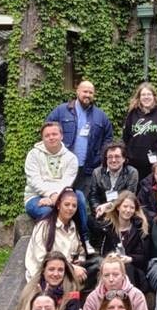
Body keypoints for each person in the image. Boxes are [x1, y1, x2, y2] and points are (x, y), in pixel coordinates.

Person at [47, 80, 114, 241]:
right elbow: (48, 130)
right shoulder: (61, 111)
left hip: (88, 170)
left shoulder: (100, 116)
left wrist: (100, 157)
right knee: (62, 202)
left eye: (91, 92)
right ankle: (58, 237)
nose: (88, 95)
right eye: (85, 91)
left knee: (83, 205)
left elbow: (108, 138)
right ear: (77, 91)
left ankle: (83, 240)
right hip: (63, 168)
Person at [23, 120, 84, 226]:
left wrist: (54, 199)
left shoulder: (71, 158)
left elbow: (66, 182)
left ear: (61, 136)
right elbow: (35, 181)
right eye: (47, 135)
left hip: (61, 195)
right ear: (42, 138)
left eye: (54, 134)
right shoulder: (33, 155)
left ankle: (84, 238)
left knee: (79, 196)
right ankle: (50, 241)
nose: (51, 137)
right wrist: (51, 195)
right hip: (35, 196)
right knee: (48, 212)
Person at [77, 254, 151, 310]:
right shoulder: (93, 297)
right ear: (101, 276)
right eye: (106, 275)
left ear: (123, 275)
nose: (111, 279)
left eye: (115, 275)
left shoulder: (136, 295)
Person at [91, 190, 151, 291]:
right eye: (125, 206)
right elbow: (93, 226)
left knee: (125, 267)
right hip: (109, 265)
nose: (128, 210)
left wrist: (130, 258)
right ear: (118, 207)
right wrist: (108, 205)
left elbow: (144, 257)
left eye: (132, 208)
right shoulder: (107, 226)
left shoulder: (139, 229)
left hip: (132, 270)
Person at [24, 190, 89, 284]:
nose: (70, 208)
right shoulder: (44, 226)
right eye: (67, 204)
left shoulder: (73, 226)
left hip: (67, 272)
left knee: (97, 265)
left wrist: (79, 262)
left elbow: (80, 251)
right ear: (58, 205)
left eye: (74, 206)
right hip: (46, 274)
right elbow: (40, 259)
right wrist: (71, 268)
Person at [18, 251, 82, 310]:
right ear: (44, 271)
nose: (56, 274)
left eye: (60, 270)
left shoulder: (71, 289)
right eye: (51, 269)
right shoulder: (33, 288)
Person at [121, 82, 157, 181]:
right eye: (143, 95)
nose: (146, 97)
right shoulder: (132, 113)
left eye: (149, 94)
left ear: (154, 97)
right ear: (139, 97)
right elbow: (125, 137)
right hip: (133, 163)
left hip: (154, 163)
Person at [87, 141, 140, 223]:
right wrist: (98, 208)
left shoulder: (132, 172)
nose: (113, 160)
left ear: (124, 159)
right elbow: (93, 196)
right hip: (101, 213)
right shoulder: (97, 173)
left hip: (123, 212)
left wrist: (109, 206)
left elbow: (129, 196)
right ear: (106, 159)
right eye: (110, 157)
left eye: (117, 156)